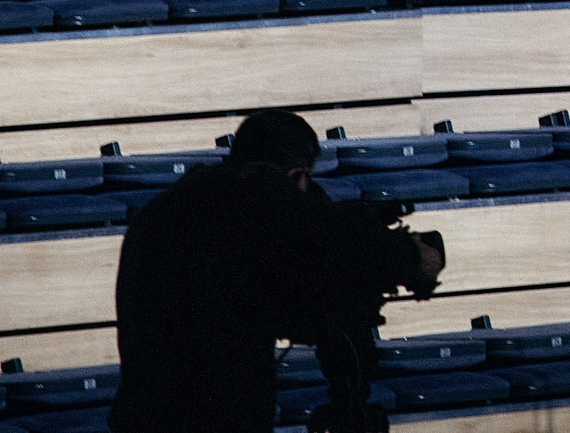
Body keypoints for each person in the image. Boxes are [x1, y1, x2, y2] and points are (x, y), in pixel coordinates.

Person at [111, 108, 444, 433]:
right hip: (212, 415)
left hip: (142, 412)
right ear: (295, 173)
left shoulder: (173, 203)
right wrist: (414, 255)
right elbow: (347, 243)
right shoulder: (257, 196)